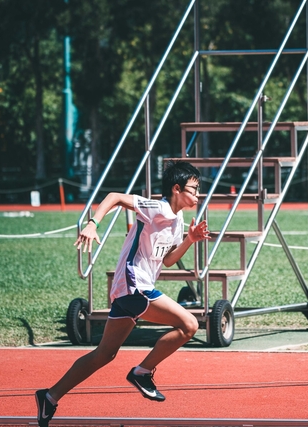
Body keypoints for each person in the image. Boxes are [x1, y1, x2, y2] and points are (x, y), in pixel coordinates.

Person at [35, 161, 210, 427]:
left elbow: (169, 260)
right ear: (177, 188)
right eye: (194, 189)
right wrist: (93, 223)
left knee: (104, 354)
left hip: (129, 290)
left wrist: (189, 240)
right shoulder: (157, 207)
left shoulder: (178, 220)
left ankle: (49, 396)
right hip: (134, 285)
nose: (198, 194)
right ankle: (142, 372)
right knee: (189, 325)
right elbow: (114, 197)